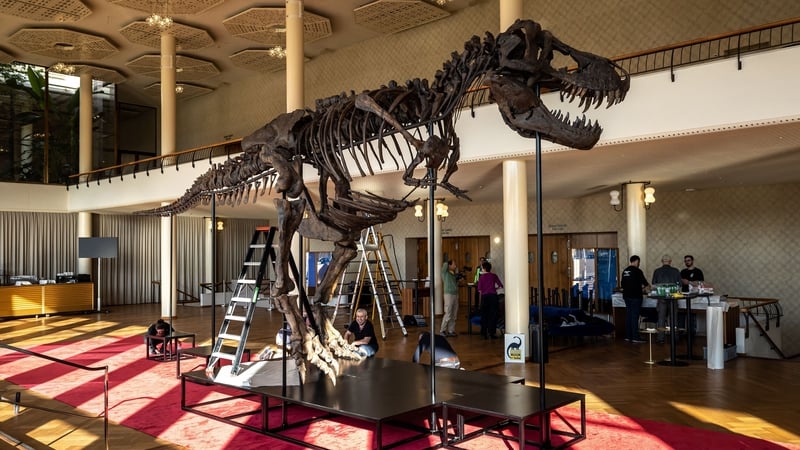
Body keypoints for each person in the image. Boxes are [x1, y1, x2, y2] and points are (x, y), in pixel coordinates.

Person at [651, 254, 682, 344]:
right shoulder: (676, 271)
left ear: (662, 261)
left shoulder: (657, 271)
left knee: (661, 318)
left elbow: (654, 286)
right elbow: (679, 286)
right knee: (674, 318)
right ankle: (675, 338)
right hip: (673, 298)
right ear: (670, 261)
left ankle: (661, 338)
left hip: (661, 298)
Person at [620, 255, 650, 344]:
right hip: (635, 296)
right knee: (634, 316)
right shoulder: (637, 271)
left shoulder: (625, 271)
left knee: (628, 316)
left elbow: (623, 285)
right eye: (639, 262)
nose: (639, 264)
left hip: (626, 296)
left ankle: (628, 336)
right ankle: (635, 337)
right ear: (637, 261)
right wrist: (647, 288)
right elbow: (645, 284)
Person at [476, 261, 503, 340]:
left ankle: (484, 332)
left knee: (484, 314)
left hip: (485, 297)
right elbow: (500, 285)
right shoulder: (494, 276)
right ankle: (492, 333)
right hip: (493, 296)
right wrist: (494, 288)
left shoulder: (481, 277)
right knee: (493, 315)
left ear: (484, 268)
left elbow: (480, 290)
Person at [440, 259, 459, 337]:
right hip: (448, 295)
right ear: (449, 265)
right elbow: (445, 265)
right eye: (454, 264)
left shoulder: (453, 274)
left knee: (454, 314)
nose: (455, 266)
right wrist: (448, 262)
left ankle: (451, 330)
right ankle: (442, 330)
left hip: (455, 294)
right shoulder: (445, 273)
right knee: (448, 313)